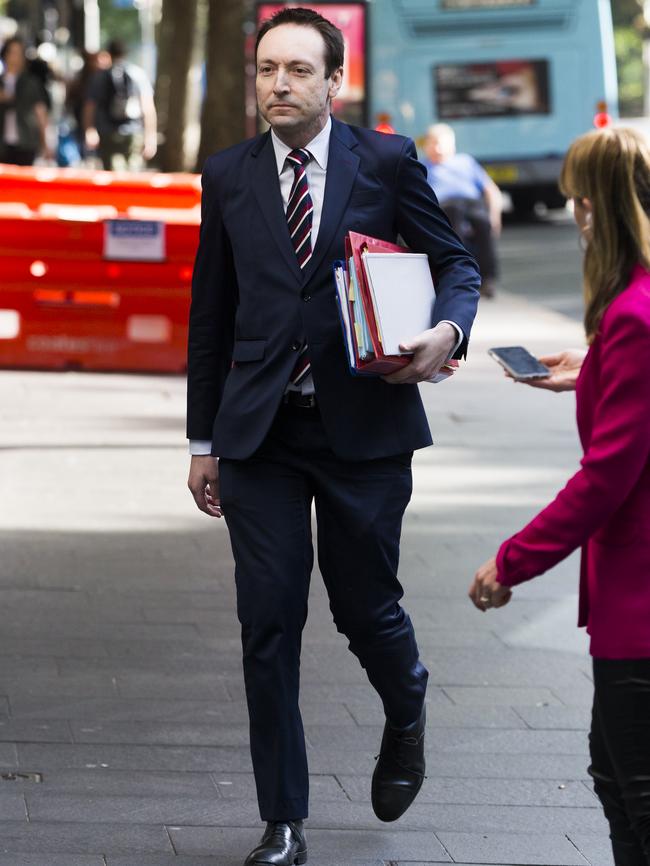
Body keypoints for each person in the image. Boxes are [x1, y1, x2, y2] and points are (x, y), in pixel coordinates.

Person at [187, 7, 480, 865]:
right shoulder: (228, 175)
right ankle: (283, 818)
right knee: (268, 622)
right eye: (266, 69)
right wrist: (204, 438)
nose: (278, 84)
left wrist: (446, 335)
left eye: (297, 71)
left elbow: (453, 264)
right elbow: (211, 318)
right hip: (260, 438)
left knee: (364, 609)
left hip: (366, 427)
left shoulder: (385, 162)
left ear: (333, 81)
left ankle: (408, 700)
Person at [469, 127, 650, 866]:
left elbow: (606, 475)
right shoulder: (632, 313)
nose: (572, 208)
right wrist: (594, 367)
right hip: (630, 594)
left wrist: (512, 562)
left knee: (635, 788)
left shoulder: (633, 318)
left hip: (640, 598)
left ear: (593, 207)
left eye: (578, 195)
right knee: (615, 779)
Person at [422, 123, 502, 298]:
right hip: (444, 207)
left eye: (442, 143)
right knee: (454, 215)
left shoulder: (466, 162)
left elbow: (491, 191)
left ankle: (488, 279)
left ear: (452, 145)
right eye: (433, 143)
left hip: (472, 203)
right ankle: (460, 275)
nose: (438, 148)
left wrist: (494, 216)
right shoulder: (423, 167)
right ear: (426, 146)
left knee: (483, 223)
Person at [83, 39, 157, 171]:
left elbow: (90, 106)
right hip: (133, 131)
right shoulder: (138, 74)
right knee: (133, 173)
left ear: (109, 54)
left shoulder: (99, 77)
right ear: (126, 53)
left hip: (107, 132)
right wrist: (150, 137)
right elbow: (148, 108)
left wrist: (90, 129)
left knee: (113, 174)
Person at [0, 36, 51, 166]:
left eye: (19, 54)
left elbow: (40, 111)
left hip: (26, 142)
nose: (15, 58)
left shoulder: (31, 83)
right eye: (12, 53)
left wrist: (45, 142)